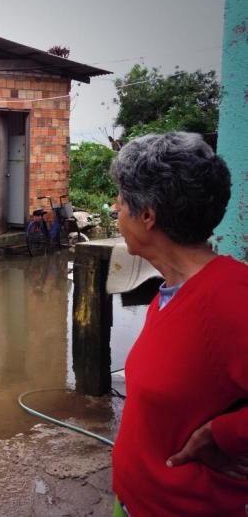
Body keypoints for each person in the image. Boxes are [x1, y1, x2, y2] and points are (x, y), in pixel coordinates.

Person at [109, 132, 248, 516]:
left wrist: (223, 436)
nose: (115, 213)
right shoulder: (170, 291)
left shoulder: (231, 298)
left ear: (148, 216)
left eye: (120, 204)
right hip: (135, 499)